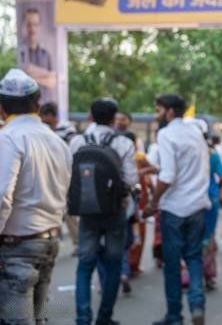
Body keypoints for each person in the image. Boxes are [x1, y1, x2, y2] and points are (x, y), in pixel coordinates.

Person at [0, 69, 72, 323]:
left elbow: (1, 197)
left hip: (17, 248)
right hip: (48, 243)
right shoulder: (57, 142)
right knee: (38, 319)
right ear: (38, 104)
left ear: (2, 108)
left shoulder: (8, 139)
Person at [70, 98, 138, 325]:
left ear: (90, 115)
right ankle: (104, 318)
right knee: (113, 264)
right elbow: (131, 179)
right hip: (114, 211)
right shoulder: (123, 143)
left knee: (84, 265)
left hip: (86, 212)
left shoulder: (77, 141)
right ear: (114, 118)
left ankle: (83, 318)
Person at [144, 94, 210, 325]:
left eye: (158, 110)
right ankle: (197, 305)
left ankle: (174, 316)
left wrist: (153, 203)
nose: (156, 115)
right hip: (197, 206)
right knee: (193, 259)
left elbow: (169, 175)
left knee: (172, 266)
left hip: (174, 209)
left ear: (170, 111)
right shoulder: (195, 133)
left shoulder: (166, 134)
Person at [40, 101, 79, 255]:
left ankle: (77, 242)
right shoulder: (42, 130)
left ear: (51, 116)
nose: (43, 121)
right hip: (47, 175)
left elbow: (72, 153)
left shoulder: (67, 130)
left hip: (65, 175)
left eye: (44, 117)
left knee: (69, 211)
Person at [202, 138, 222, 290]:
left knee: (193, 236)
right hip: (211, 196)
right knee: (209, 235)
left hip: (192, 199)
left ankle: (192, 273)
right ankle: (209, 274)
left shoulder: (192, 152)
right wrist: (216, 186)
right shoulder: (213, 154)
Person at [18, 7, 55, 103]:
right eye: (28, 24)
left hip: (44, 108)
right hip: (26, 107)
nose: (32, 28)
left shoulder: (46, 54)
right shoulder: (20, 51)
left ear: (39, 26)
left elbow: (52, 82)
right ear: (23, 26)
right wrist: (46, 74)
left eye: (35, 24)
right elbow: (26, 70)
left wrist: (31, 75)